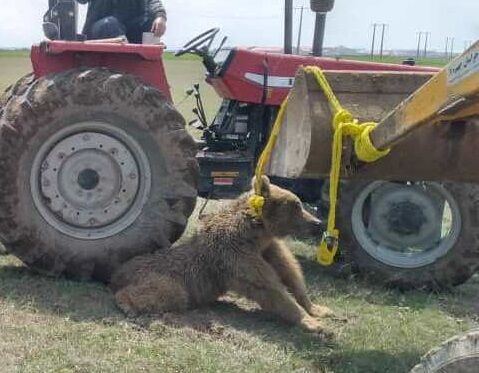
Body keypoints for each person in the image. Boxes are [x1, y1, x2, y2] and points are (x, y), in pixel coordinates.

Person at [78, 0, 167, 43]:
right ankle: (127, 59)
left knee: (150, 23)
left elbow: (152, 1)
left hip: (129, 29)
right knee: (110, 24)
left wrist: (160, 16)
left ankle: (149, 63)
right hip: (99, 29)